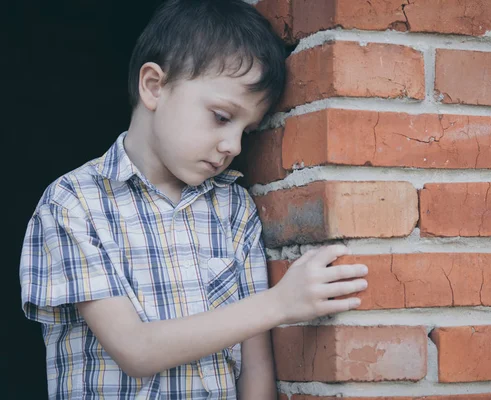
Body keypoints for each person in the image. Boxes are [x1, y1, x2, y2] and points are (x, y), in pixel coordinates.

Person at [18, 0, 369, 398]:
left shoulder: (233, 209)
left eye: (246, 131)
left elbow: (255, 371)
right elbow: (135, 350)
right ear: (154, 87)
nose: (232, 145)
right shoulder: (74, 204)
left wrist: (276, 305)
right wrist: (282, 302)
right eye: (221, 117)